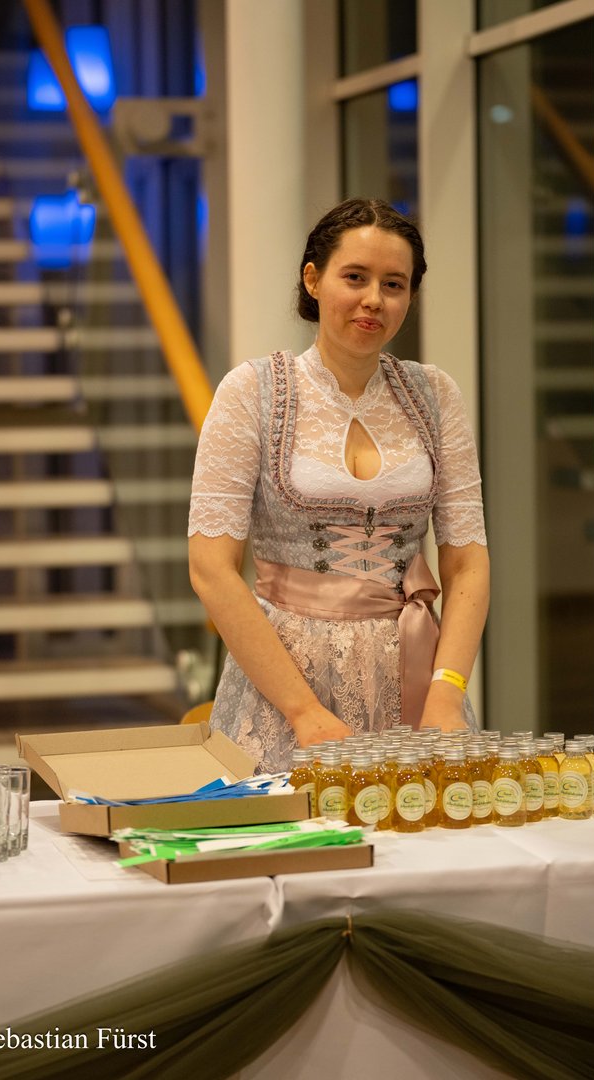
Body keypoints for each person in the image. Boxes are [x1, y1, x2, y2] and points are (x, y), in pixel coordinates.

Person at [188, 198, 489, 773]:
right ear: (313, 279)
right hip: (286, 684)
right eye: (355, 277)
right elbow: (210, 570)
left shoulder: (435, 394)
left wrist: (447, 690)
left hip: (417, 677)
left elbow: (467, 564)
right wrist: (303, 711)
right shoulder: (251, 391)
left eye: (394, 284)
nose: (374, 298)